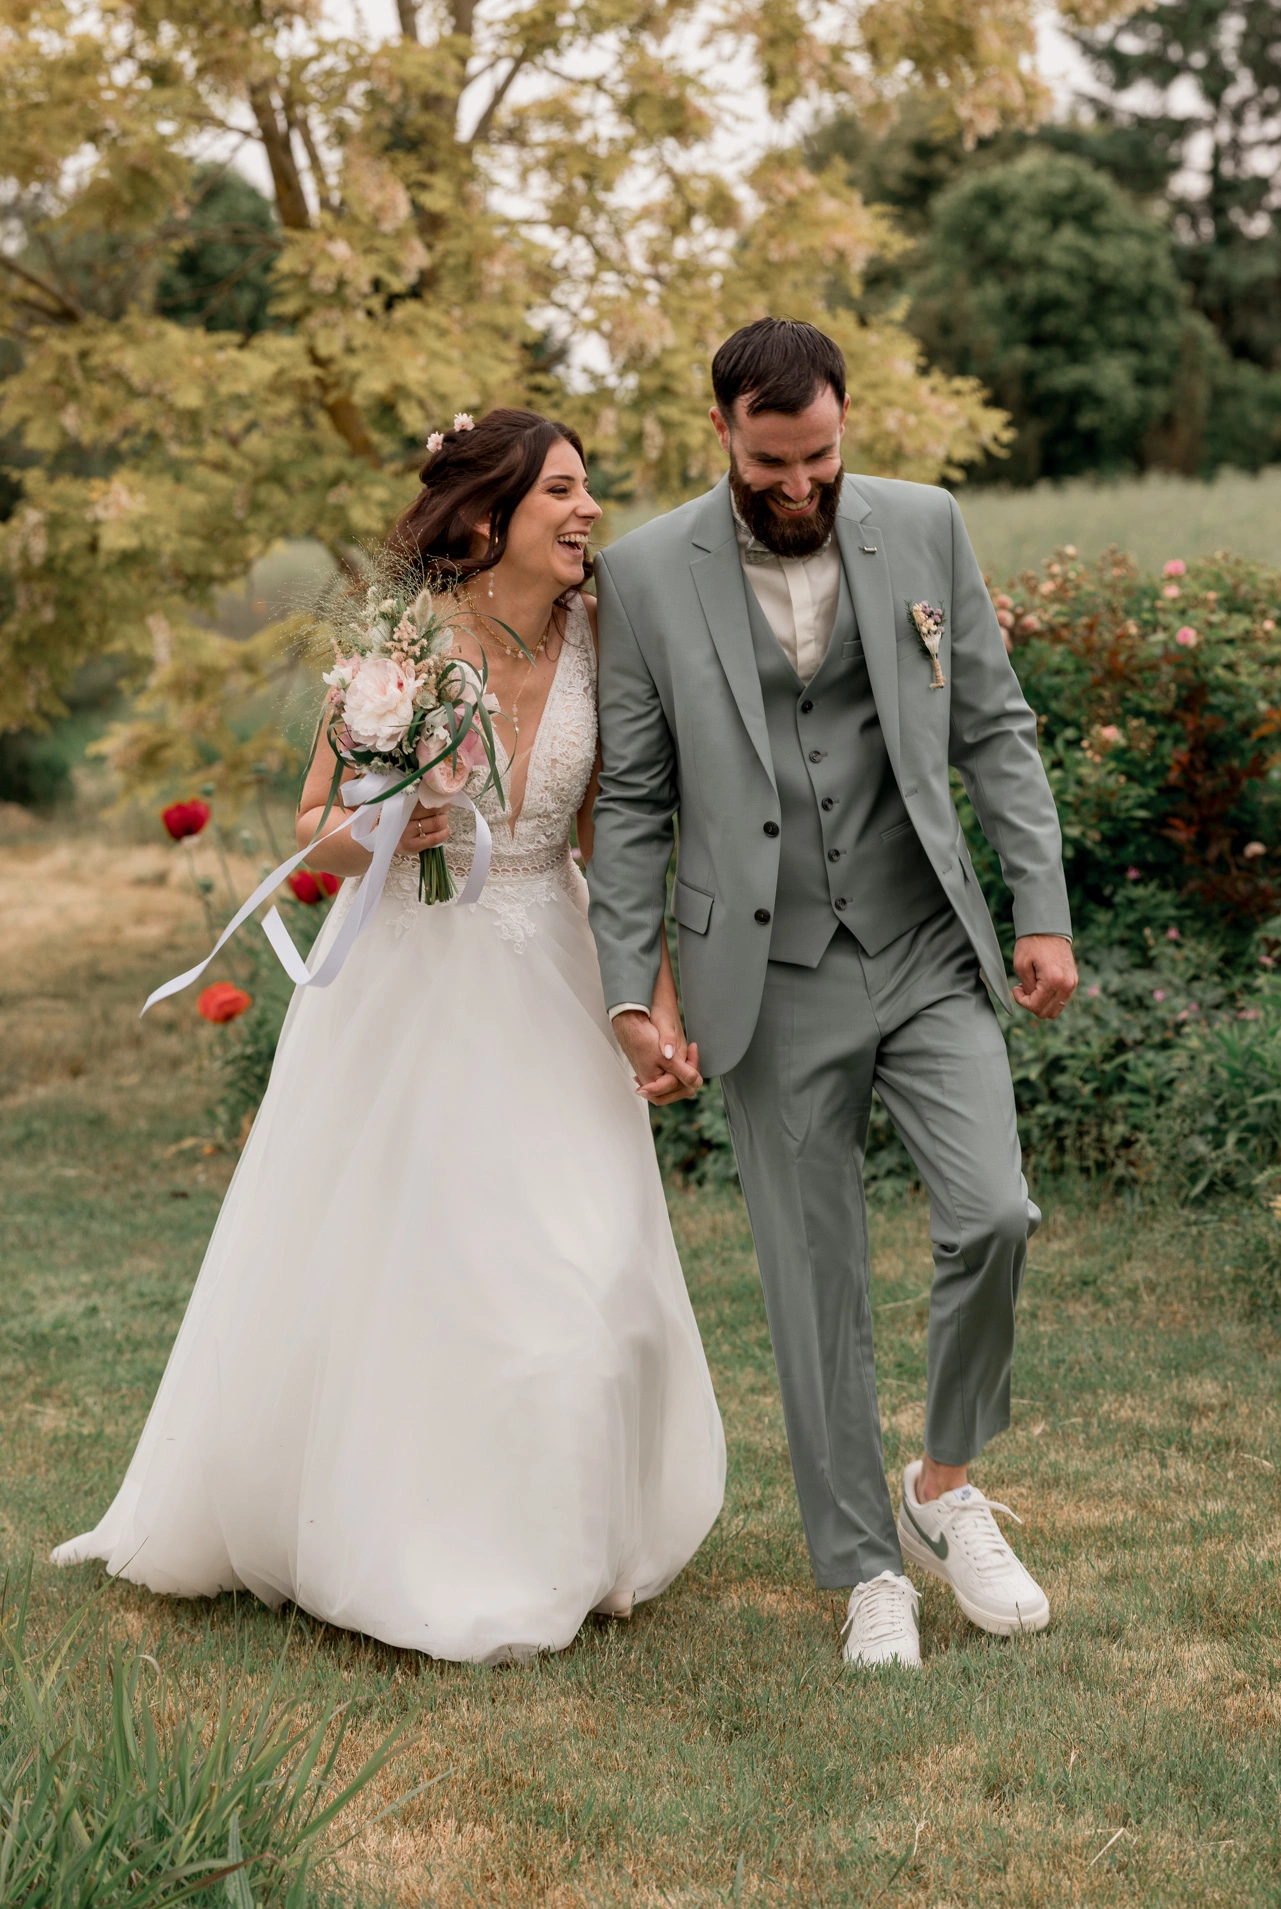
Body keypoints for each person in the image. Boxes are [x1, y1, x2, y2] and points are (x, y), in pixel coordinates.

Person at [53, 408, 725, 1664]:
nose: (589, 513)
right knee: (445, 1274)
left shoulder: (601, 636)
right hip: (418, 981)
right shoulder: (399, 652)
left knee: (598, 1266)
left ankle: (580, 1535)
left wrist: (654, 1009)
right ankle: (434, 1544)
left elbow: (612, 848)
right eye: (562, 493)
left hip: (558, 973)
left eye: (590, 491)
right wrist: (393, 828)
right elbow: (315, 821)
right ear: (488, 517)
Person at [588, 320, 1077, 1669]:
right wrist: (630, 989)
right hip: (766, 970)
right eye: (767, 463)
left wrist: (1039, 911)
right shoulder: (639, 575)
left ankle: (942, 1487)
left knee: (994, 1213)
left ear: (845, 424)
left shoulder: (922, 527)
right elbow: (631, 800)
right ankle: (866, 1570)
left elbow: (992, 725)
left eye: (817, 457)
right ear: (722, 436)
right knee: (813, 1287)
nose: (796, 486)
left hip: (923, 945)